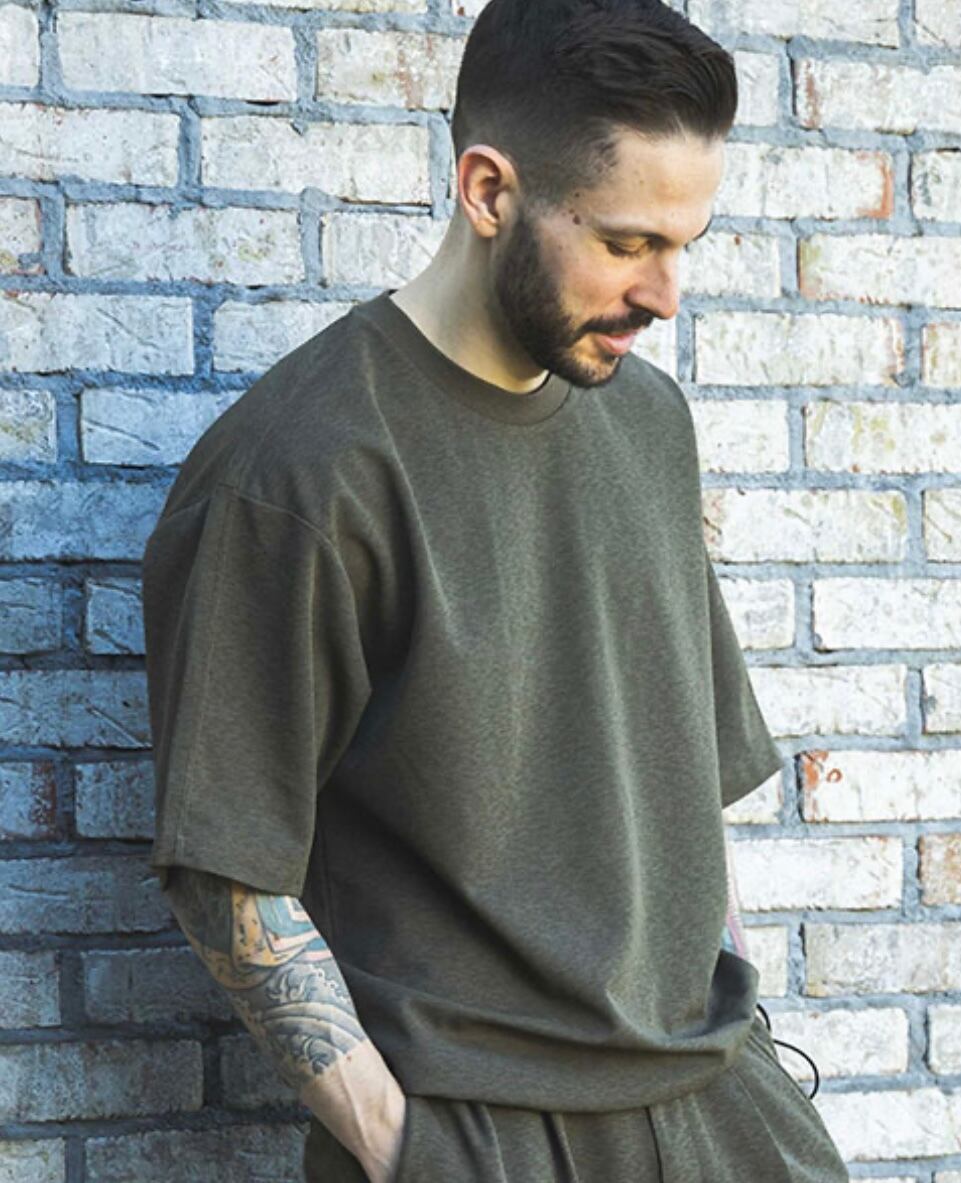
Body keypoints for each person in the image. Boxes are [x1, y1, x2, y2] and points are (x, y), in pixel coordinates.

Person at [140, 1, 850, 1179]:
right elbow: (226, 870)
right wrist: (408, 1152)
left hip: (722, 1106)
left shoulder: (647, 422)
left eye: (685, 244)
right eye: (626, 242)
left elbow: (678, 781)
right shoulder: (300, 470)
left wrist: (740, 1027)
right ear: (486, 191)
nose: (666, 294)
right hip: (484, 1135)